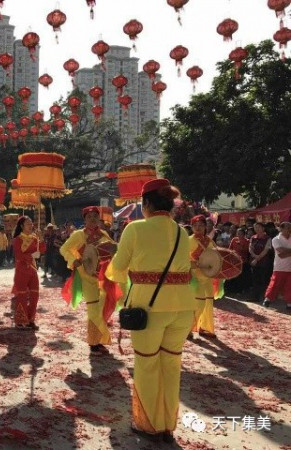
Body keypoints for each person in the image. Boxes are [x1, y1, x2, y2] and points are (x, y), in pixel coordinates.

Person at [106, 178, 194, 443]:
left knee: (146, 364)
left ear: (146, 204)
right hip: (183, 307)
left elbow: (117, 268)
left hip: (149, 308)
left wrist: (113, 271)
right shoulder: (182, 232)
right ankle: (167, 424)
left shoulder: (135, 229)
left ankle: (149, 424)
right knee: (171, 364)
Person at [60, 206, 118, 355]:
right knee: (93, 309)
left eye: (95, 216)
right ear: (84, 219)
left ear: (99, 218)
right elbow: (64, 249)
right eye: (89, 216)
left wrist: (114, 249)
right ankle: (93, 343)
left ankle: (101, 340)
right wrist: (74, 260)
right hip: (87, 276)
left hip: (104, 277)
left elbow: (113, 250)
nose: (93, 219)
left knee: (103, 308)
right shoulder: (79, 235)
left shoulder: (104, 233)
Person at [12, 216, 46, 330]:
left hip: (33, 269)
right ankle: (20, 321)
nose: (31, 225)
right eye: (28, 224)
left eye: (31, 223)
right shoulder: (18, 239)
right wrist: (30, 255)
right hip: (21, 270)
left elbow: (43, 250)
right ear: (22, 226)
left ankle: (31, 320)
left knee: (35, 295)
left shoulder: (35, 237)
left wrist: (41, 239)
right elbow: (18, 255)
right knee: (22, 295)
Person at [188, 215, 218, 339]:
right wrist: (195, 264)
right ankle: (188, 329)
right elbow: (182, 259)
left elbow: (216, 257)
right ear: (192, 227)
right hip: (194, 278)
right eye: (195, 226)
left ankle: (205, 328)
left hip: (208, 277)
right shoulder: (188, 241)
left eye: (200, 225)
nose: (198, 228)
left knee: (208, 303)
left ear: (205, 226)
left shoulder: (210, 241)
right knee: (198, 303)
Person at [262, 222, 291, 309]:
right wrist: (286, 251)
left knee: (289, 286)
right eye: (288, 227)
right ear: (281, 229)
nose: (290, 229)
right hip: (279, 267)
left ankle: (289, 303)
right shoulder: (276, 239)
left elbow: (283, 252)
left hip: (290, 267)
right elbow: (281, 254)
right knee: (275, 284)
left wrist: (287, 251)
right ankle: (268, 299)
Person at [249, 222, 272, 303]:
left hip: (263, 262)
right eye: (255, 227)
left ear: (263, 228)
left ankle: (266, 298)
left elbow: (266, 250)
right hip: (254, 262)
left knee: (264, 280)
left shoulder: (268, 238)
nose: (257, 229)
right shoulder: (253, 237)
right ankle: (255, 297)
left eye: (259, 227)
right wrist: (254, 257)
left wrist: (257, 258)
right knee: (255, 280)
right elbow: (250, 248)